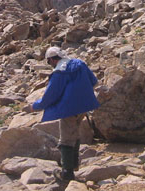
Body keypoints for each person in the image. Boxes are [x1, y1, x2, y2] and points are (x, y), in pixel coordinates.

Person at [29, 46, 100, 181]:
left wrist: (36, 106)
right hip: (84, 106)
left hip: (69, 109)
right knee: (75, 132)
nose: (50, 65)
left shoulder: (59, 72)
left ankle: (67, 172)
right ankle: (73, 165)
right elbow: (94, 81)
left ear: (52, 60)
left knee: (66, 137)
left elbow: (51, 95)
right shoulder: (80, 63)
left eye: (49, 62)